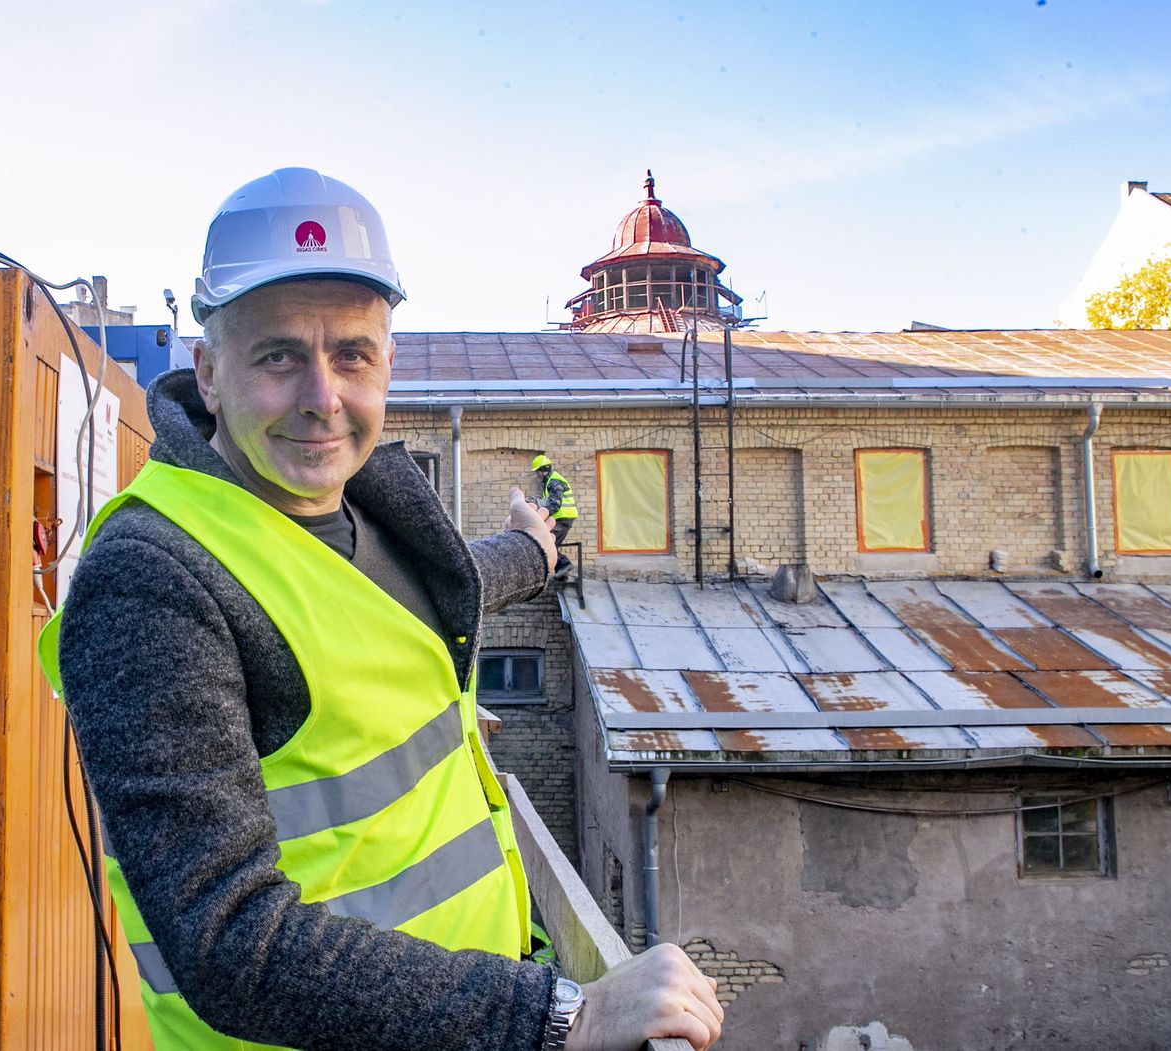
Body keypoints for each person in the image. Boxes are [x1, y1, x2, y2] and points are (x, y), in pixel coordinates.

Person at [40, 168, 724, 1051]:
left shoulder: (364, 510)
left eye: (352, 354)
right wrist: (563, 1014)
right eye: (279, 355)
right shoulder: (154, 578)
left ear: (387, 363)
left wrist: (534, 551)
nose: (322, 397)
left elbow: (438, 590)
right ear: (208, 373)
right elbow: (229, 940)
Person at [531, 454, 578, 576]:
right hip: (561, 518)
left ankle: (564, 564)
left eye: (537, 472)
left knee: (547, 543)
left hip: (563, 518)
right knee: (550, 543)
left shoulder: (554, 481)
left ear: (543, 470)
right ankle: (562, 573)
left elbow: (555, 504)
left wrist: (540, 515)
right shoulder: (549, 481)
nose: (537, 475)